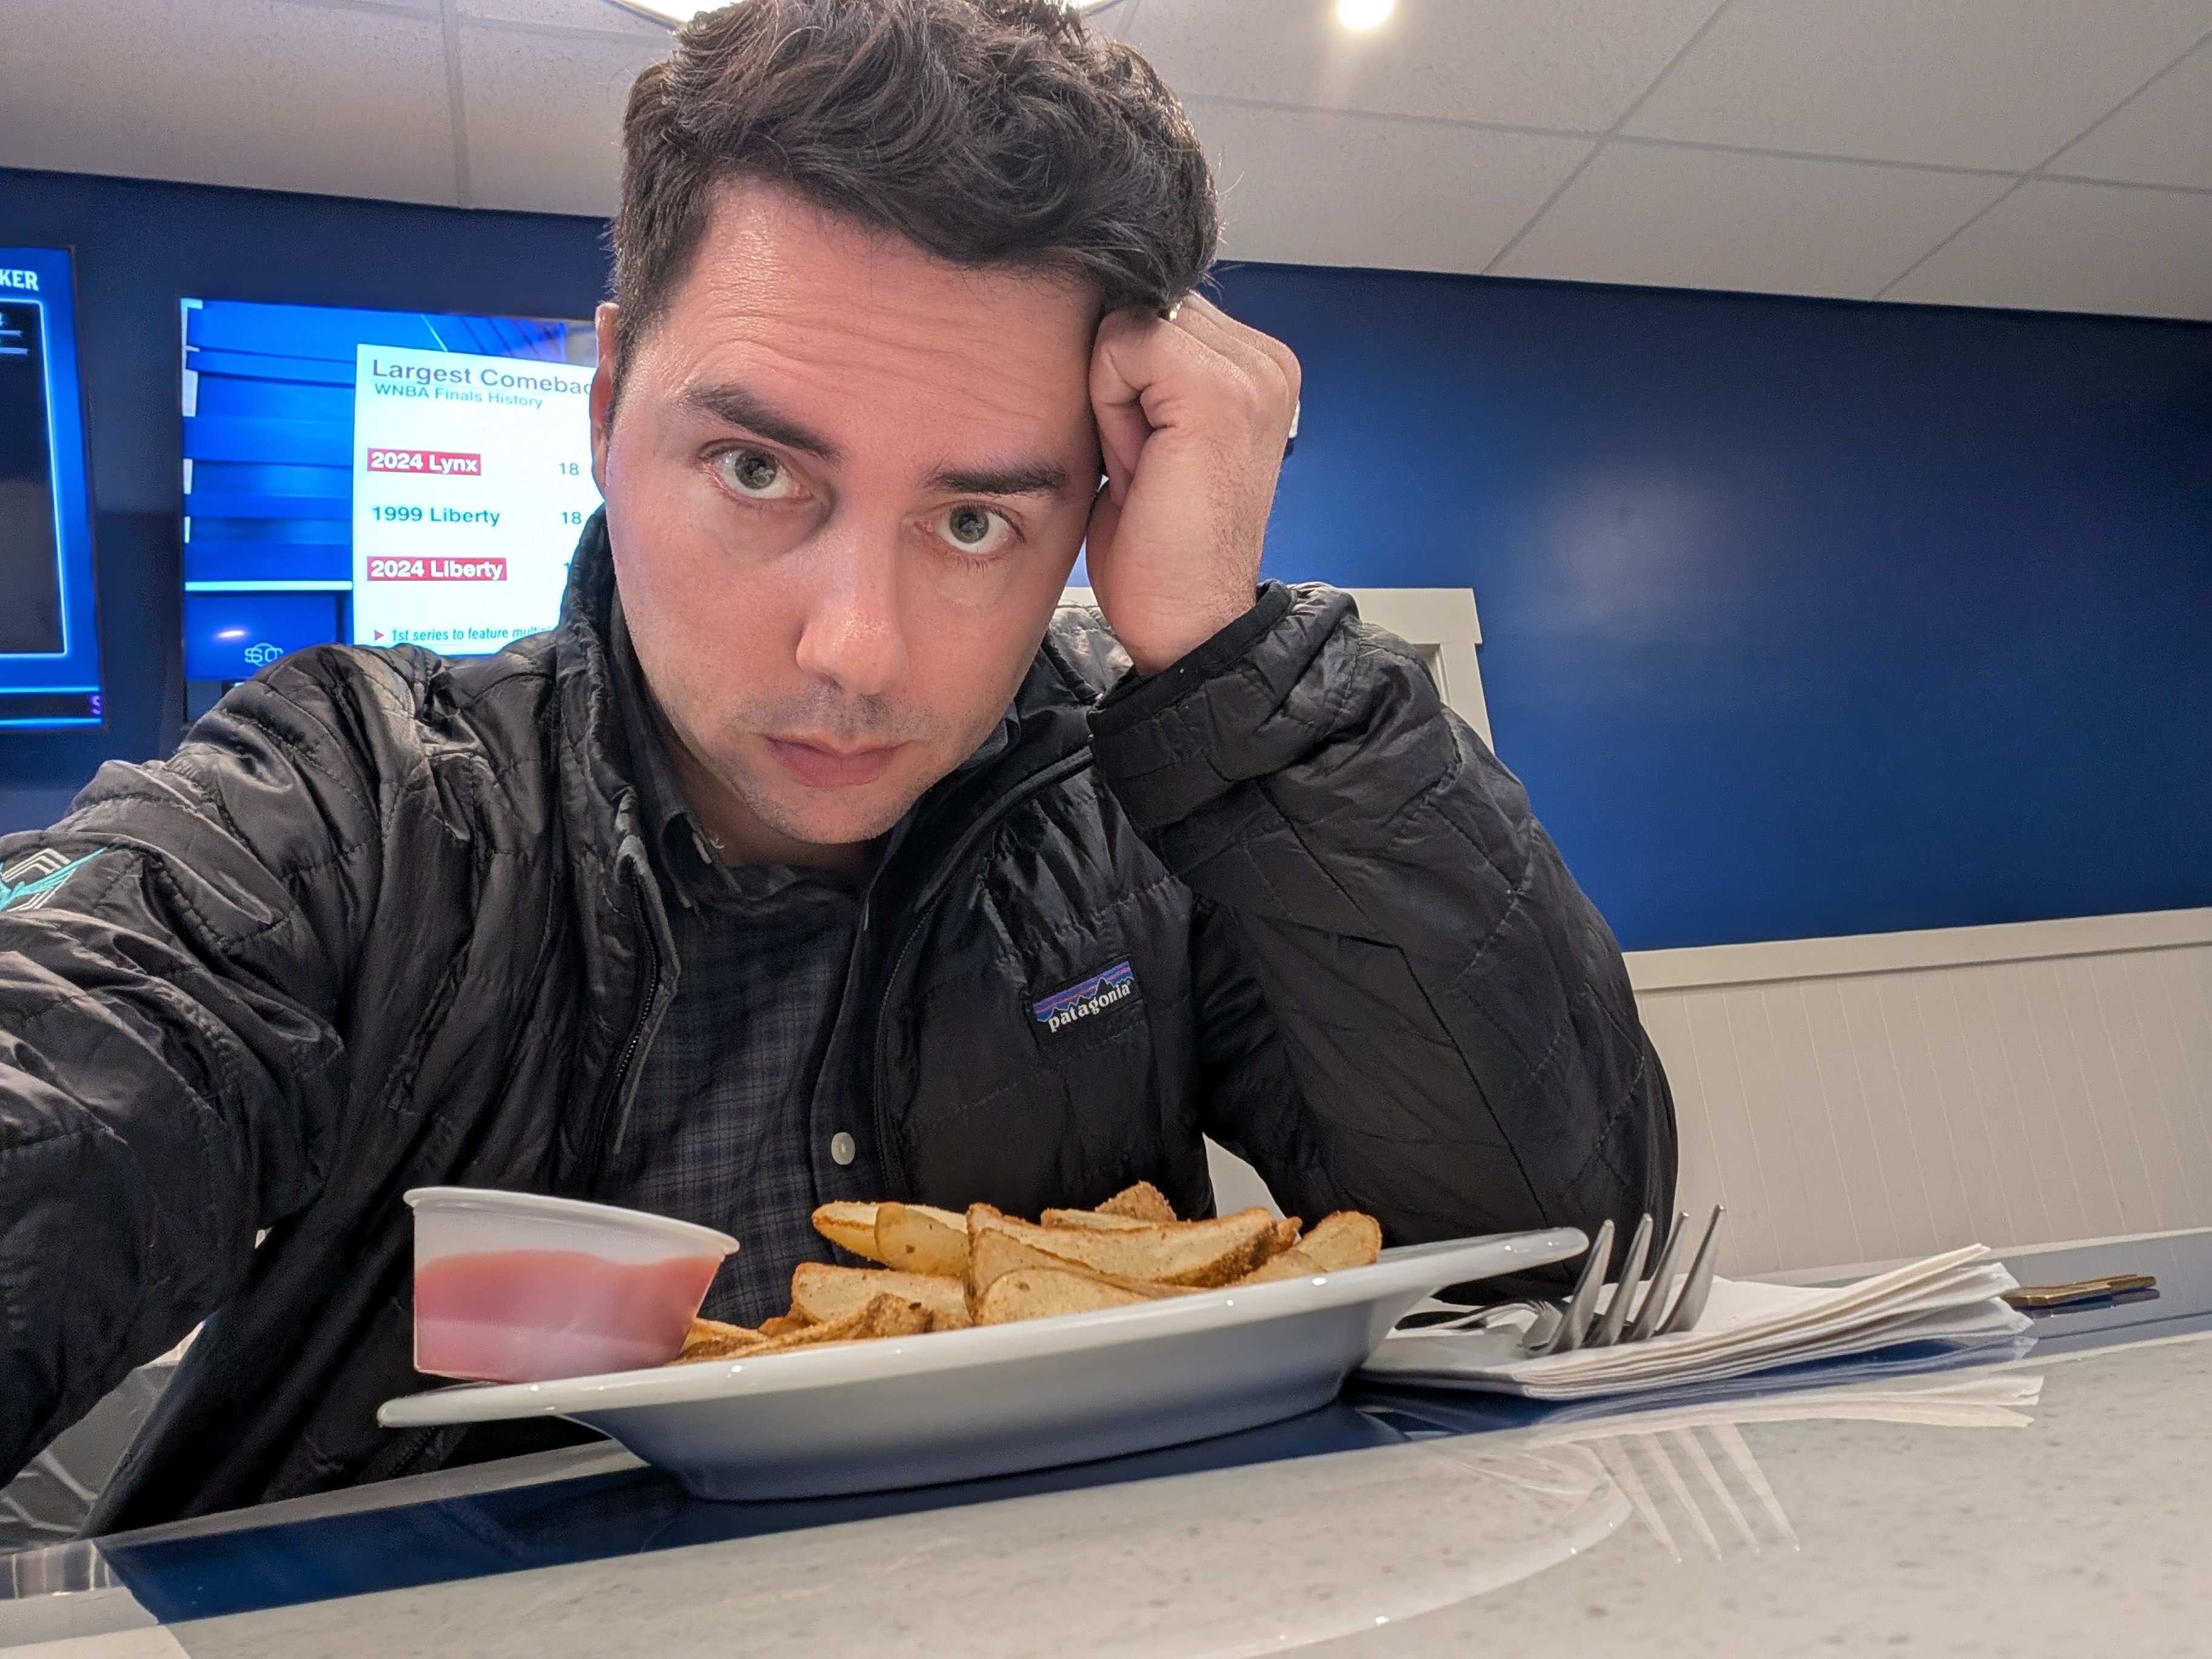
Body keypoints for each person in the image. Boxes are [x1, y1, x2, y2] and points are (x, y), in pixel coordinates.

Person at [0, 0, 1674, 1531]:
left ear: (1091, 508)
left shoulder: (1162, 810)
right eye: (755, 469)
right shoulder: (356, 801)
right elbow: (69, 1066)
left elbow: (1545, 1260)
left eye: (975, 519)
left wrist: (1232, 663)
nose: (856, 650)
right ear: (606, 405)